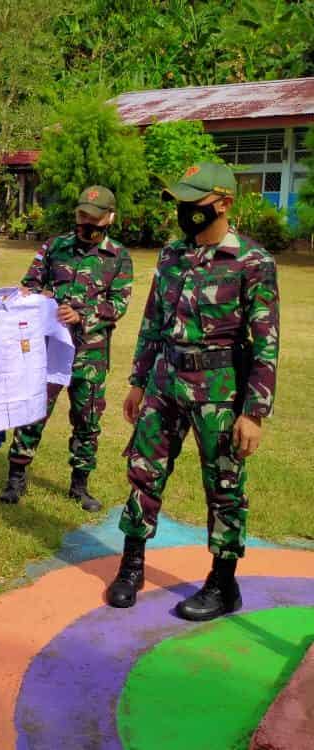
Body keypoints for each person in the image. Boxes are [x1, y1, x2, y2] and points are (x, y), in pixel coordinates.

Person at [106, 163, 279, 621]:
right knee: (144, 472)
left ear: (223, 203)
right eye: (181, 203)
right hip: (164, 381)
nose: (185, 212)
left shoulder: (252, 262)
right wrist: (139, 381)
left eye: (194, 204)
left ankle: (223, 585)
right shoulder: (171, 256)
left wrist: (254, 412)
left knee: (223, 486)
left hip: (219, 391)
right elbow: (152, 321)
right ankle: (132, 566)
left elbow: (266, 341)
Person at [0, 186, 133, 512]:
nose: (85, 222)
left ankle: (80, 485)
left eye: (93, 217)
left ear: (109, 218)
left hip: (91, 353)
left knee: (87, 419)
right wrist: (35, 298)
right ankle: (16, 477)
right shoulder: (56, 246)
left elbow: (119, 303)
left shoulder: (118, 257)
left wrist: (83, 314)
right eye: (81, 215)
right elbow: (30, 283)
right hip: (49, 349)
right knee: (34, 411)